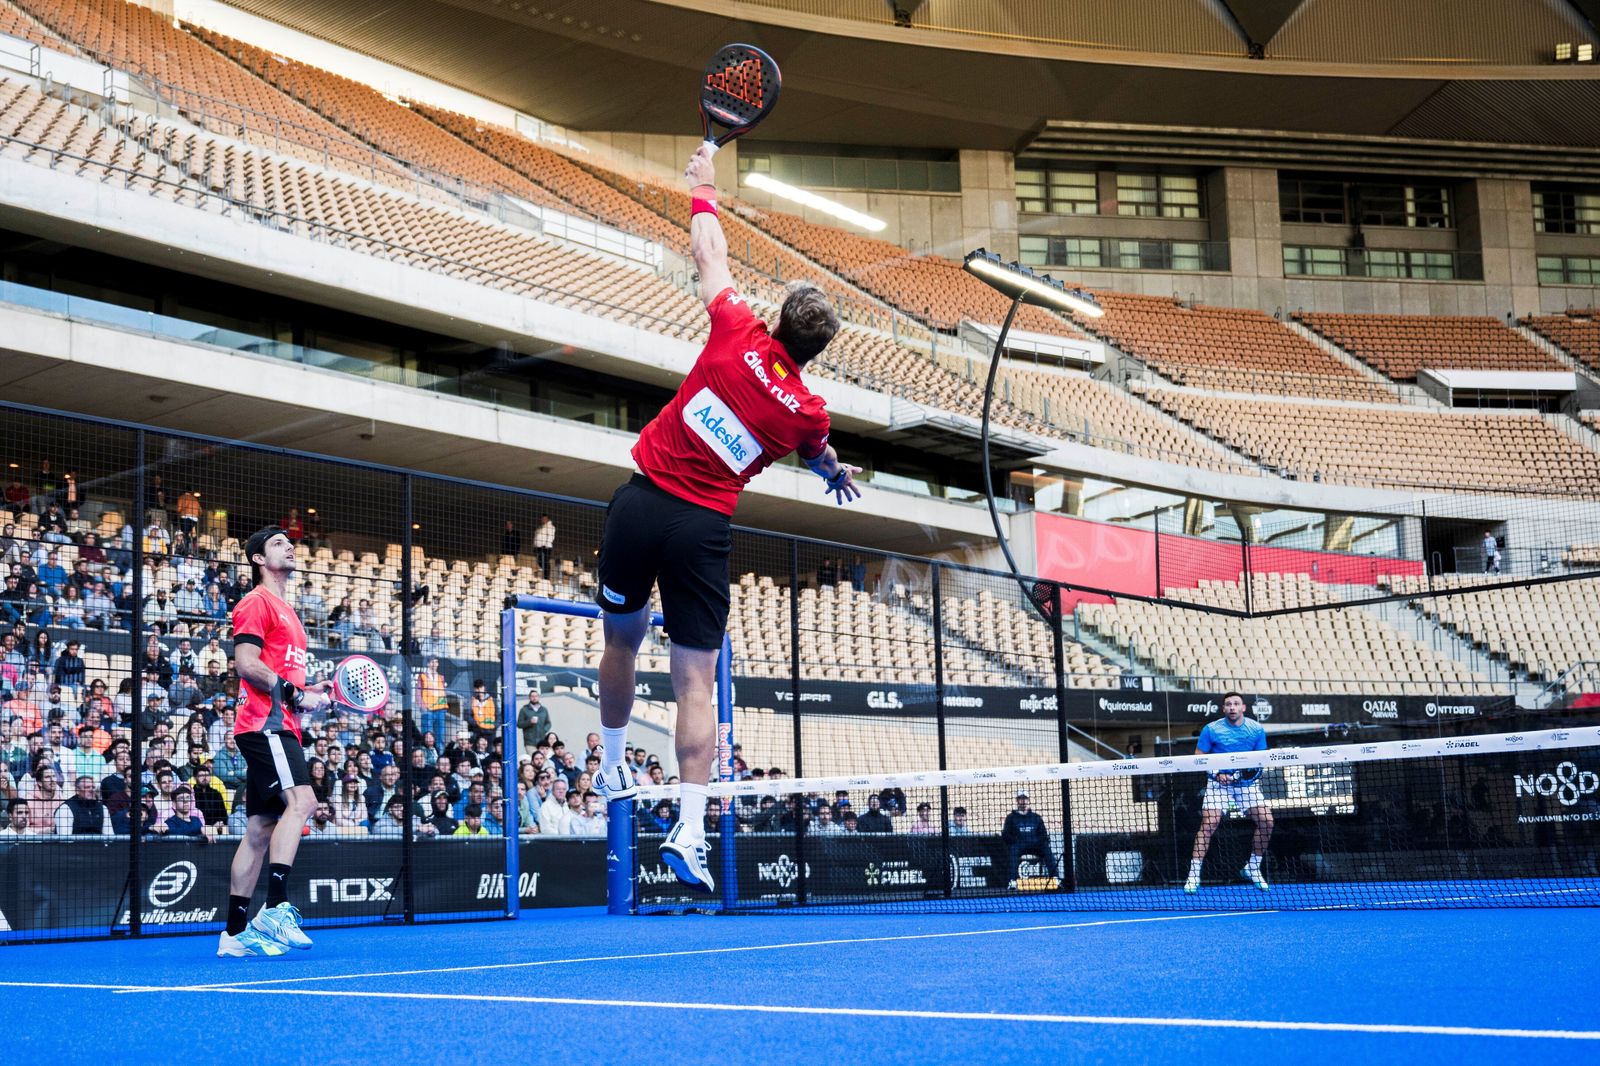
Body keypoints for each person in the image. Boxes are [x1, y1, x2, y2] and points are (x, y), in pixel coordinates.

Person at [589, 145, 860, 893]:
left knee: (622, 638)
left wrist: (703, 181)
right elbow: (818, 453)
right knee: (697, 684)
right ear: (820, 349)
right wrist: (837, 474)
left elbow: (708, 249)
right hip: (702, 531)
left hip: (640, 505)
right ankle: (690, 825)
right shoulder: (808, 411)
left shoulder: (736, 331)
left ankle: (612, 765)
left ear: (779, 321)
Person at [216, 525, 336, 959]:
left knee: (259, 828)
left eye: (290, 542)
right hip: (265, 725)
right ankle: (276, 906)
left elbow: (287, 680)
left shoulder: (289, 611)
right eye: (278, 543)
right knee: (303, 803)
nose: (290, 546)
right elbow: (246, 665)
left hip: (280, 722)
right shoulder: (256, 602)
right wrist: (294, 693)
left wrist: (310, 692)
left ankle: (233, 934)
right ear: (257, 559)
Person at [1184, 691, 1273, 894]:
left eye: (1236, 704)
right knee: (1209, 824)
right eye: (1228, 704)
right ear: (1223, 709)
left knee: (1267, 822)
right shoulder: (1211, 729)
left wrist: (1245, 777)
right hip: (1218, 785)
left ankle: (1253, 867)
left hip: (1246, 786)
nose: (1232, 707)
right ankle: (1194, 874)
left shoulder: (1256, 729)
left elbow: (1261, 760)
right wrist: (1216, 774)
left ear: (1243, 708)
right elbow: (1199, 757)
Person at [1001, 791, 1060, 886]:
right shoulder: (1011, 818)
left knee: (1047, 850)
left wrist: (1040, 842)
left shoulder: (1036, 817)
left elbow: (1044, 835)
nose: (1023, 801)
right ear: (1017, 801)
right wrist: (1015, 841)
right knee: (1013, 851)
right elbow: (1005, 834)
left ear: (1028, 800)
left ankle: (1055, 878)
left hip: (1035, 845)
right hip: (1019, 846)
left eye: (1025, 798)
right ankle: (1012, 881)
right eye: (1020, 799)